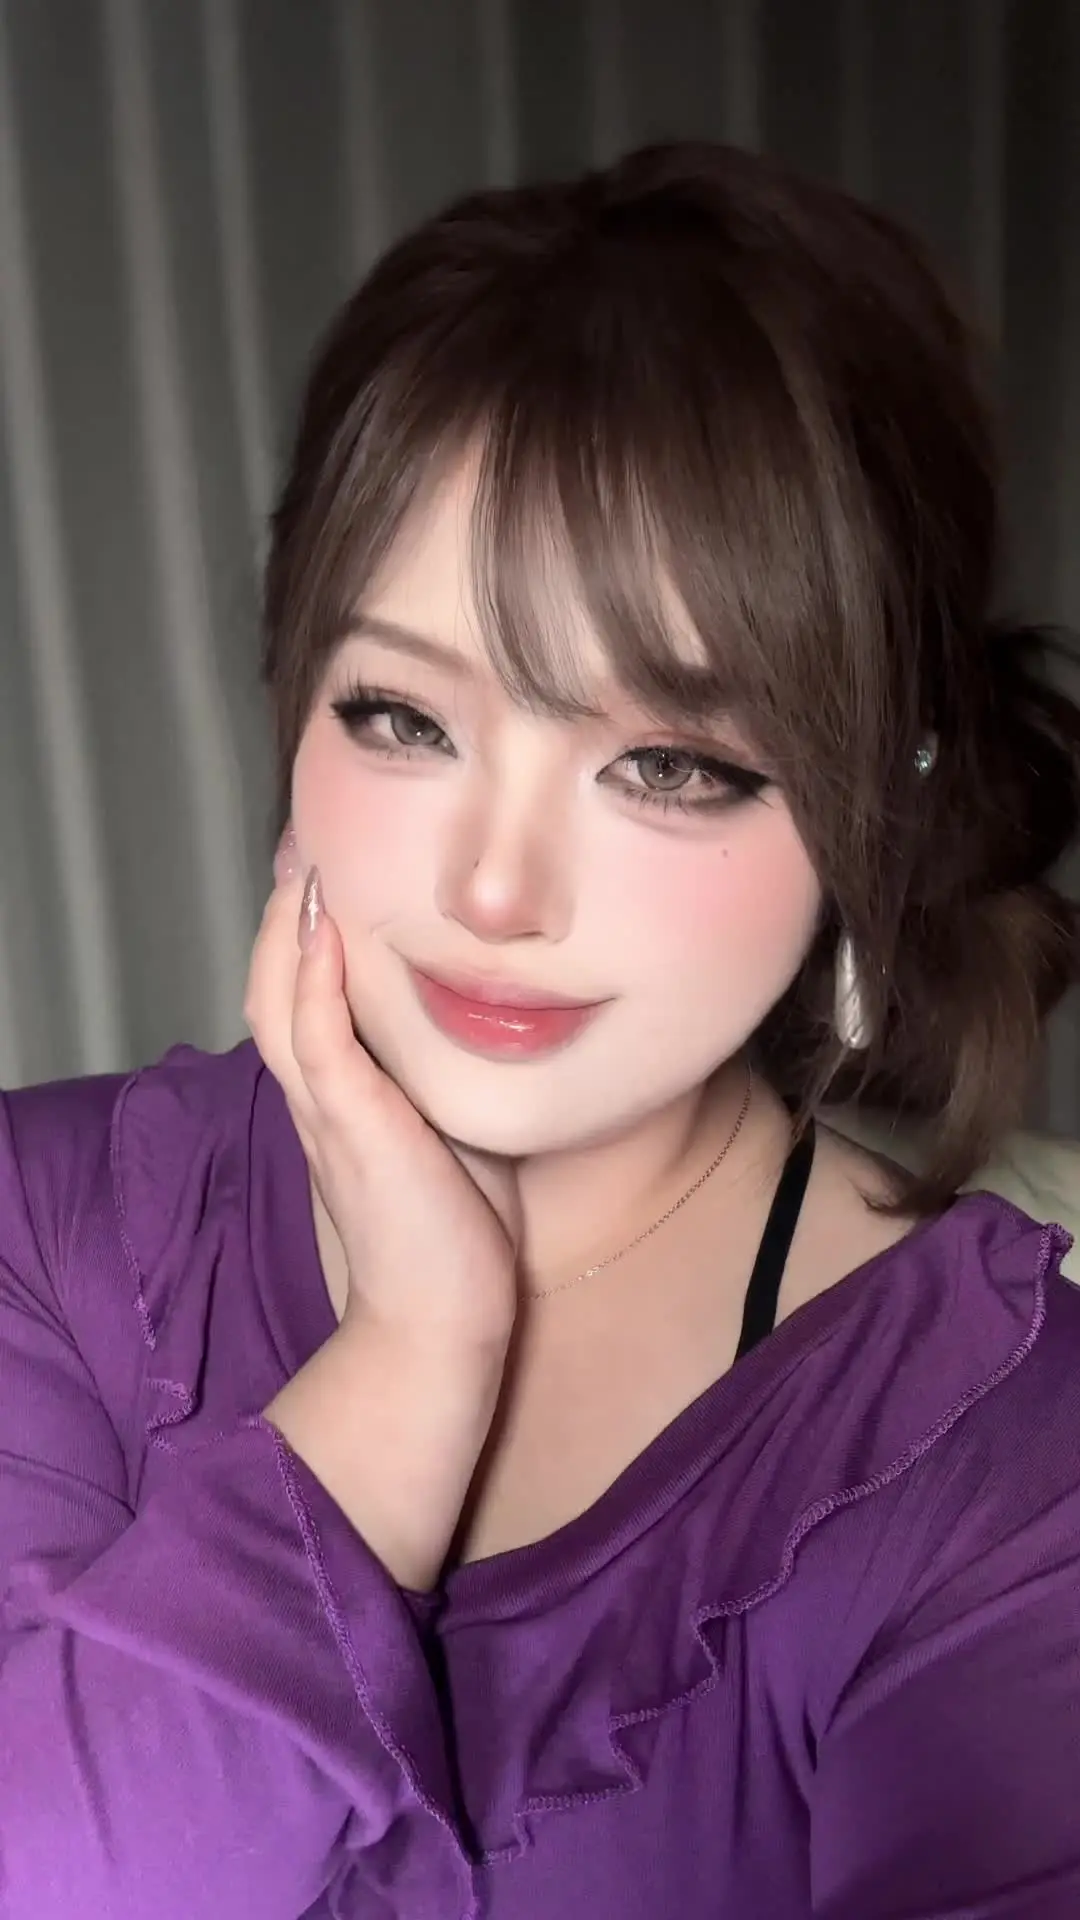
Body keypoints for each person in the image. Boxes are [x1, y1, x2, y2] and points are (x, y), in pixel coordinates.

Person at [2, 139, 1080, 1920]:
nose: (497, 888)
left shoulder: (1005, 1472)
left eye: (670, 764)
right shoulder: (45, 1233)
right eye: (404, 718)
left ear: (878, 800)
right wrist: (411, 1356)